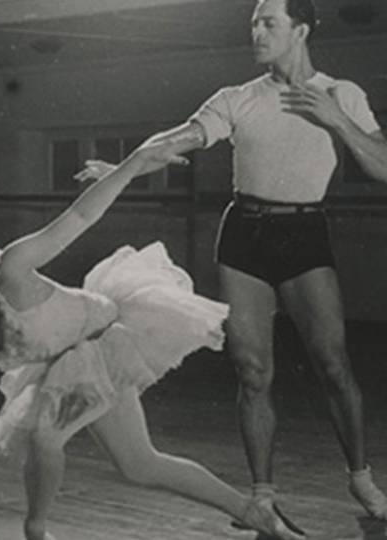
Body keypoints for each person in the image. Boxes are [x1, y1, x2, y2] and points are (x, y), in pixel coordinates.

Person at [0, 136, 304, 540]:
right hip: (70, 365)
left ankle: (35, 528)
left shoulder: (8, 270)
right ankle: (252, 512)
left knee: (47, 434)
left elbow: (80, 218)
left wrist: (135, 163)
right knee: (139, 465)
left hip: (107, 339)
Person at [75, 0, 387, 526]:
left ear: (301, 30)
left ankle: (361, 479)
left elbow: (382, 167)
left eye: (270, 23)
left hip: (304, 231)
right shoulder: (236, 99)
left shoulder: (342, 93)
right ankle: (261, 495)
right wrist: (124, 169)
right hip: (244, 233)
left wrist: (337, 119)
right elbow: (178, 138)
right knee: (251, 370)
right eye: (253, 23)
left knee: (334, 366)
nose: (257, 32)